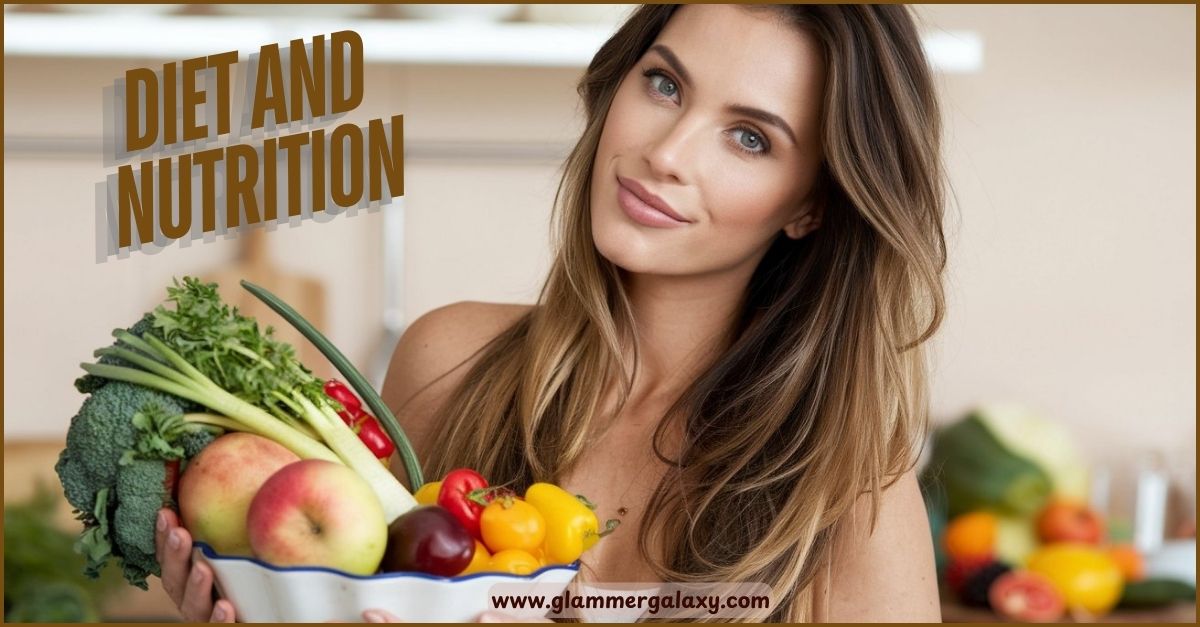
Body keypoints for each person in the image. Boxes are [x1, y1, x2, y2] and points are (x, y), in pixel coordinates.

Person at [156, 4, 946, 622]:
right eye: (665, 83)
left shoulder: (849, 493)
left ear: (812, 204)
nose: (667, 151)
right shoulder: (449, 362)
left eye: (748, 137)